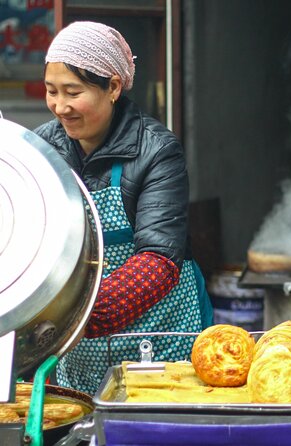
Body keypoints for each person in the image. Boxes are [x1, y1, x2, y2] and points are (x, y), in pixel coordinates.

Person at [34, 21, 213, 394]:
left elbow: (160, 259)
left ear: (113, 87)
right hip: (78, 348)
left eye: (73, 91)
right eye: (51, 91)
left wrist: (76, 313)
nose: (60, 106)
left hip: (159, 338)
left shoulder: (157, 151)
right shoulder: (42, 149)